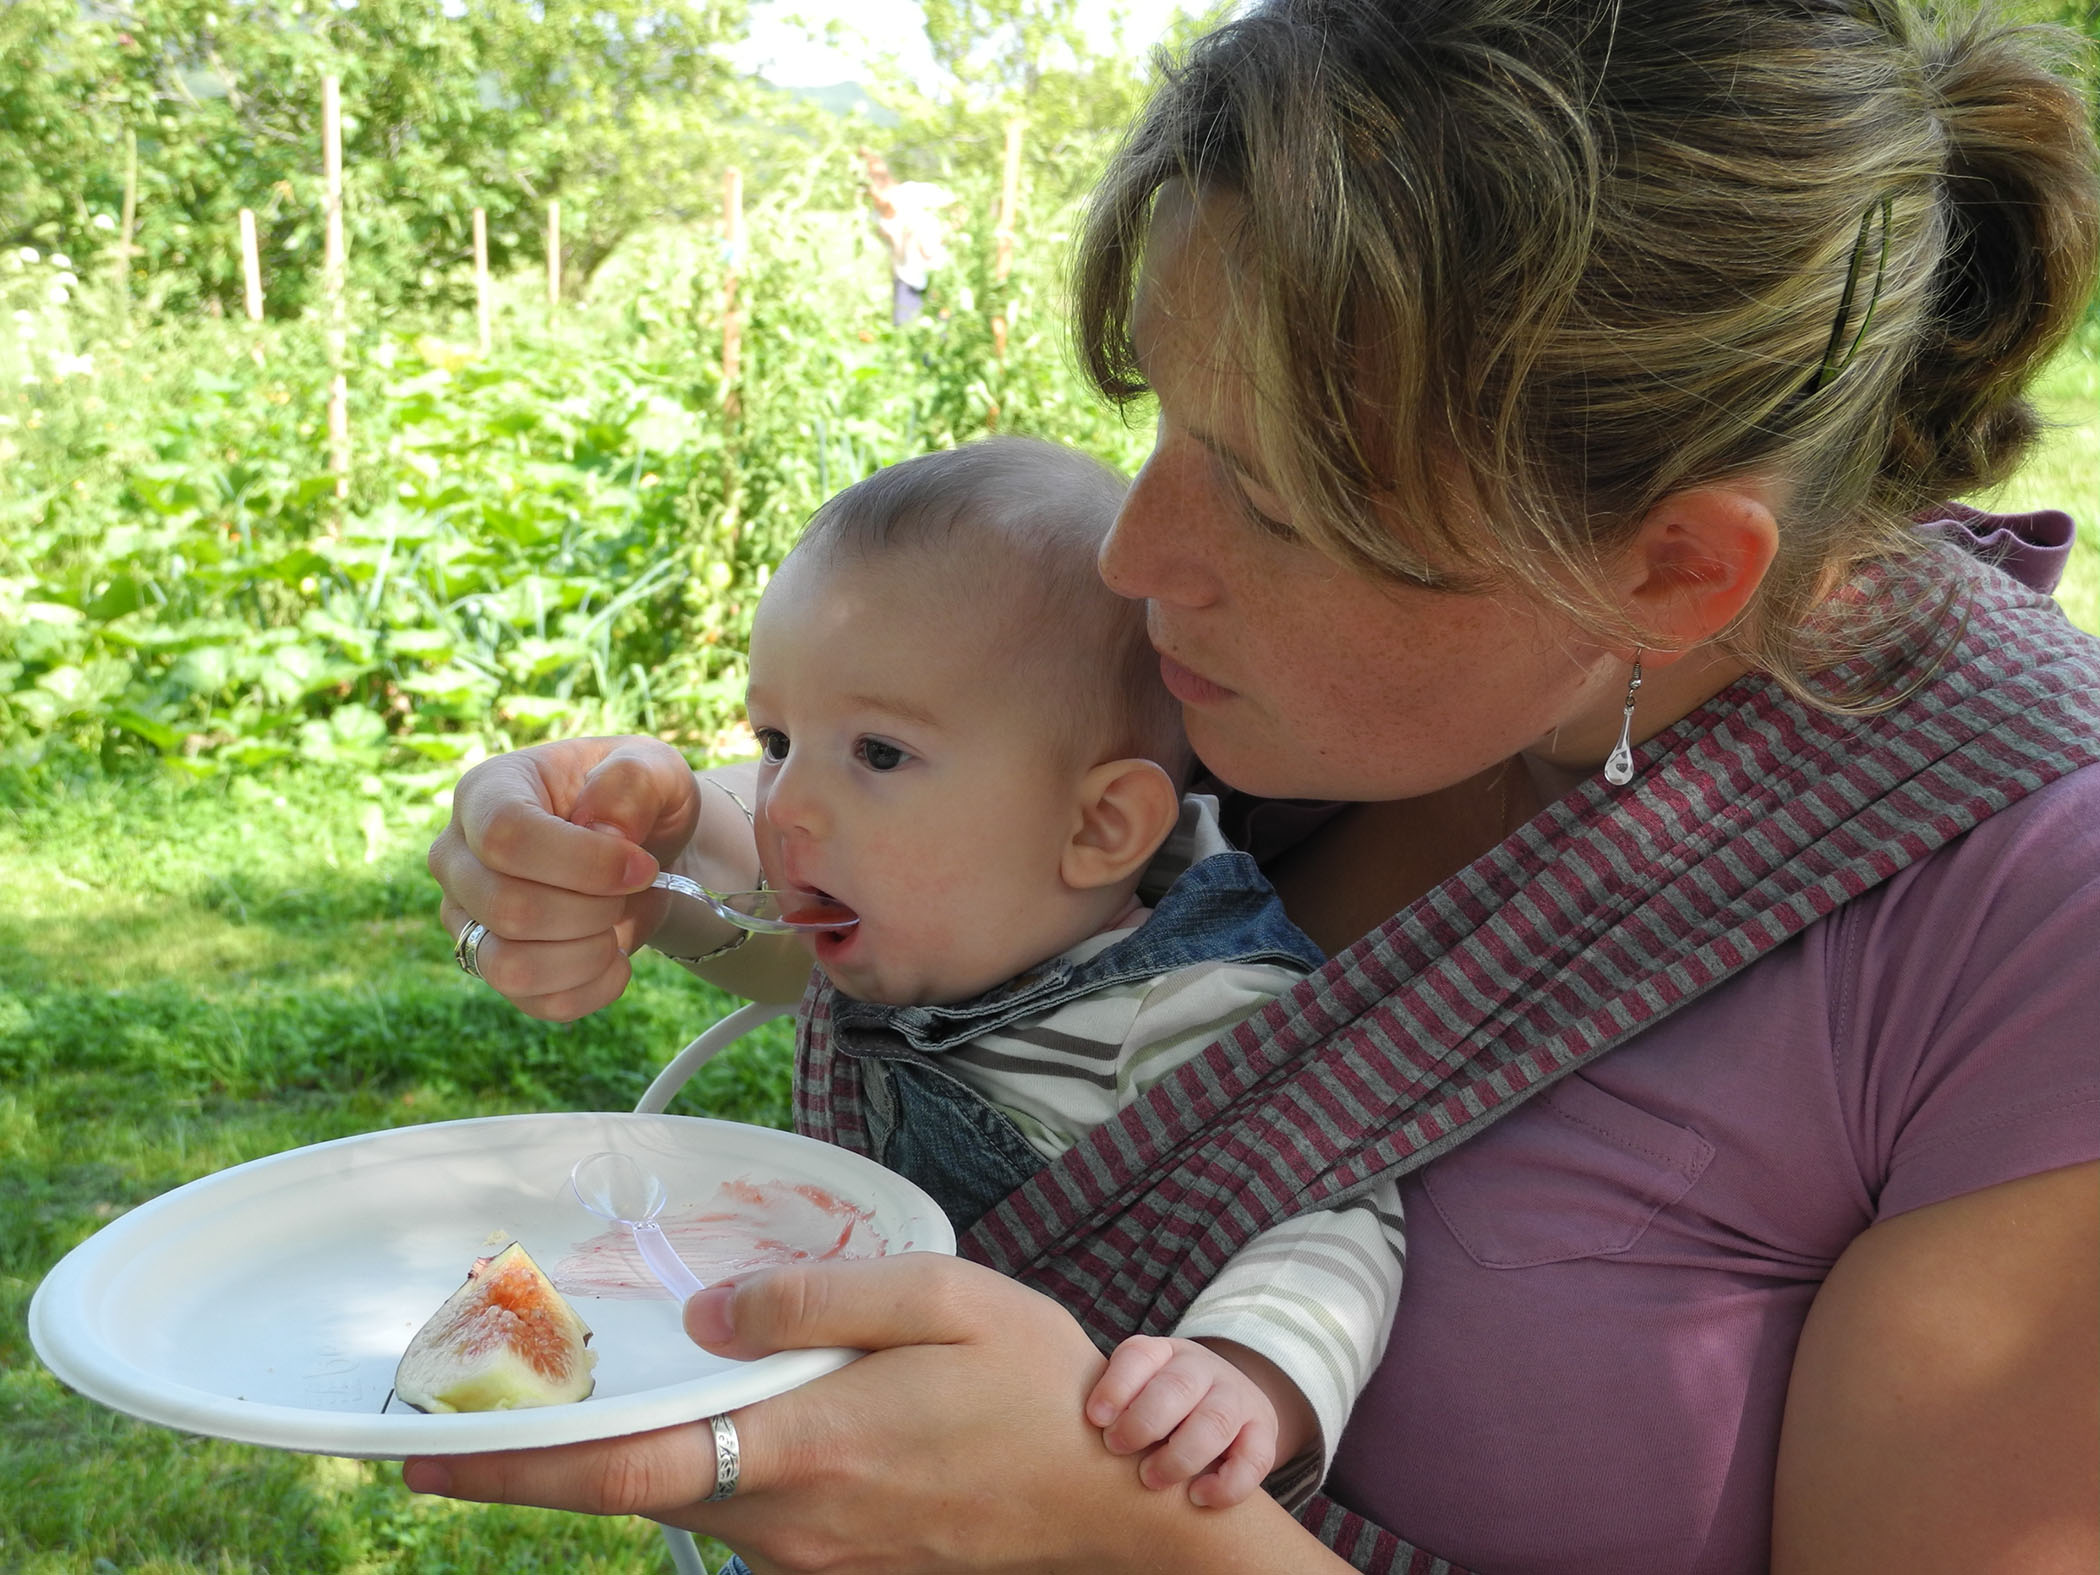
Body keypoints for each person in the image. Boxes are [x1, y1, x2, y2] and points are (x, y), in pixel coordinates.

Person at [419, 1, 2100, 1569]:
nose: (1137, 554)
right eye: (1166, 417)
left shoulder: (2038, 939)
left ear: (1668, 569)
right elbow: (982, 869)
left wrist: (1125, 1533)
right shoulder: (1292, 689)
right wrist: (638, 837)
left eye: (1277, 497)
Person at [704, 435, 1399, 1509]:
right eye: (776, 739)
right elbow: (743, 933)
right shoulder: (923, 935)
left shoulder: (1188, 1006)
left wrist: (1242, 1372)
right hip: (862, 1475)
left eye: (879, 752)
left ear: (1101, 826)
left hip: (1066, 1506)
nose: (787, 805)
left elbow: (1337, 1209)